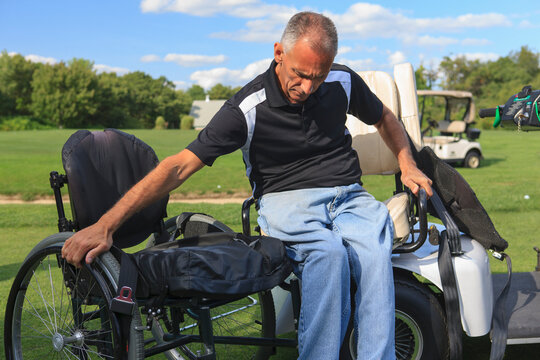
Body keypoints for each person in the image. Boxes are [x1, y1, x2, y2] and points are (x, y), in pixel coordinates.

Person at [62, 11, 432, 360]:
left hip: (349, 196)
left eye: (318, 77)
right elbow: (178, 168)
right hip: (287, 202)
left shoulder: (342, 80)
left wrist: (407, 163)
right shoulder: (247, 108)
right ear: (278, 53)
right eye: (300, 74)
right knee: (328, 256)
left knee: (373, 252)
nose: (307, 87)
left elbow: (383, 115)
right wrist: (105, 225)